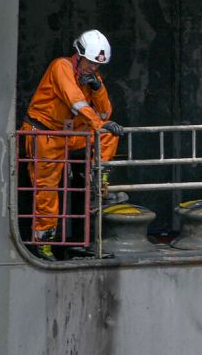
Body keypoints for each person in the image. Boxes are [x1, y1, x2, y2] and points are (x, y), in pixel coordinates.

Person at [20, 30, 125, 260]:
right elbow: (75, 101)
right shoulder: (61, 67)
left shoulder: (92, 78)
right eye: (89, 64)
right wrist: (98, 123)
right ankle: (43, 244)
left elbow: (106, 111)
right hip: (45, 134)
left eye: (97, 67)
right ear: (79, 55)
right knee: (47, 191)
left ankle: (100, 178)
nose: (93, 69)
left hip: (68, 133)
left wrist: (98, 89)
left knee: (108, 133)